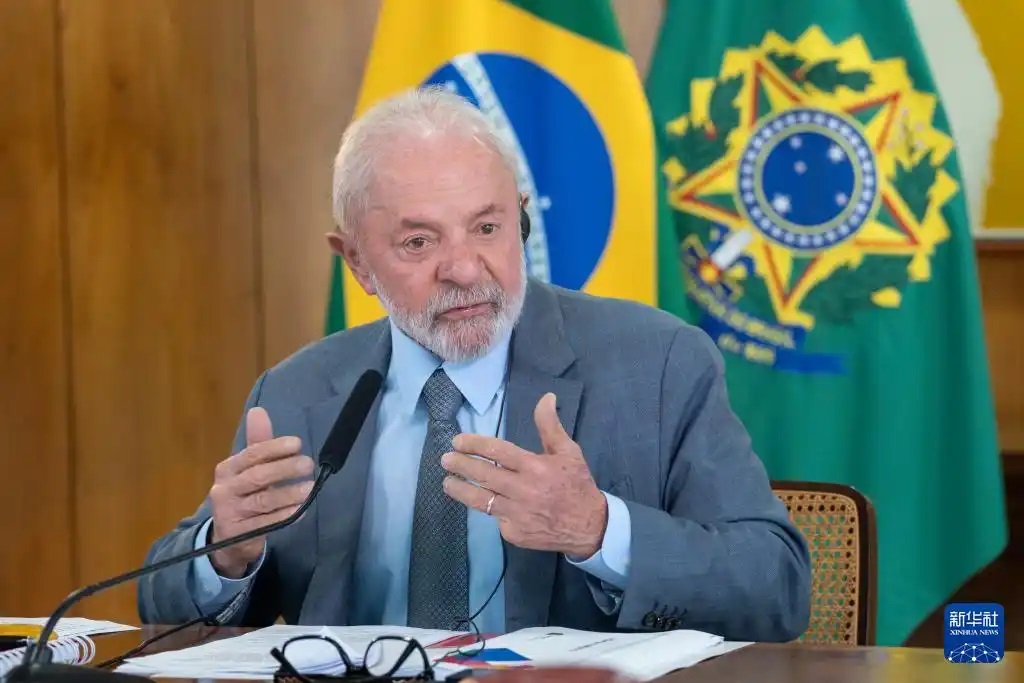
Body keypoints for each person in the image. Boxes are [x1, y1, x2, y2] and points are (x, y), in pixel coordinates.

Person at [138, 86, 811, 642]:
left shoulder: (656, 364)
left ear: (521, 220)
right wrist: (226, 552)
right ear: (357, 263)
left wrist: (598, 529)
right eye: (418, 242)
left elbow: (777, 588)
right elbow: (159, 601)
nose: (463, 269)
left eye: (487, 228)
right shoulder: (297, 394)